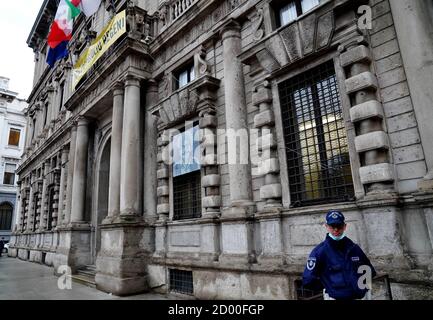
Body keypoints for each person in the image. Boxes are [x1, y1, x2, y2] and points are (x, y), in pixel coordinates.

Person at [302, 210, 376, 300]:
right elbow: (308, 280)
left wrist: (363, 289)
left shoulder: (354, 248)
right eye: (332, 226)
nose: (336, 229)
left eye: (339, 226)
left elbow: (369, 270)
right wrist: (329, 287)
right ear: (327, 226)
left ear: (344, 226)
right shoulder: (320, 252)